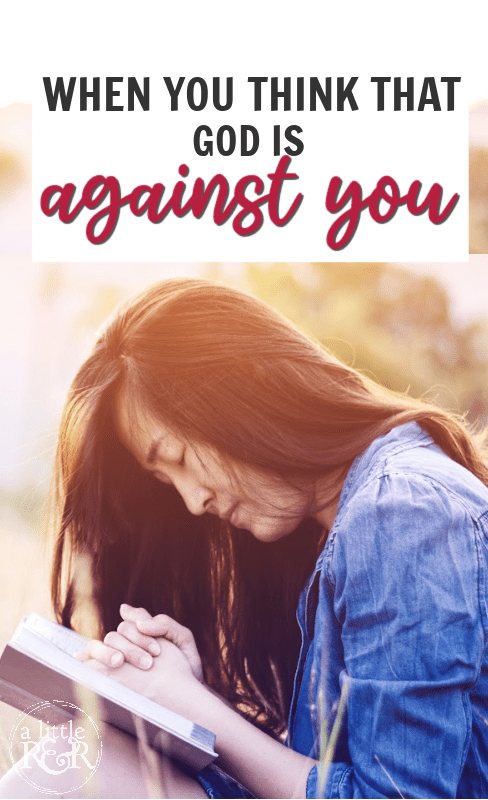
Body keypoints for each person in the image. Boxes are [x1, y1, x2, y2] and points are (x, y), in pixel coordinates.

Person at [1, 277, 487, 799]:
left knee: (82, 766)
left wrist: (193, 706)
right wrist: (185, 694)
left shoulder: (401, 512)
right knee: (85, 752)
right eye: (168, 482)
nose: (193, 503)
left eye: (180, 459)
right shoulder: (347, 524)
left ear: (245, 397)